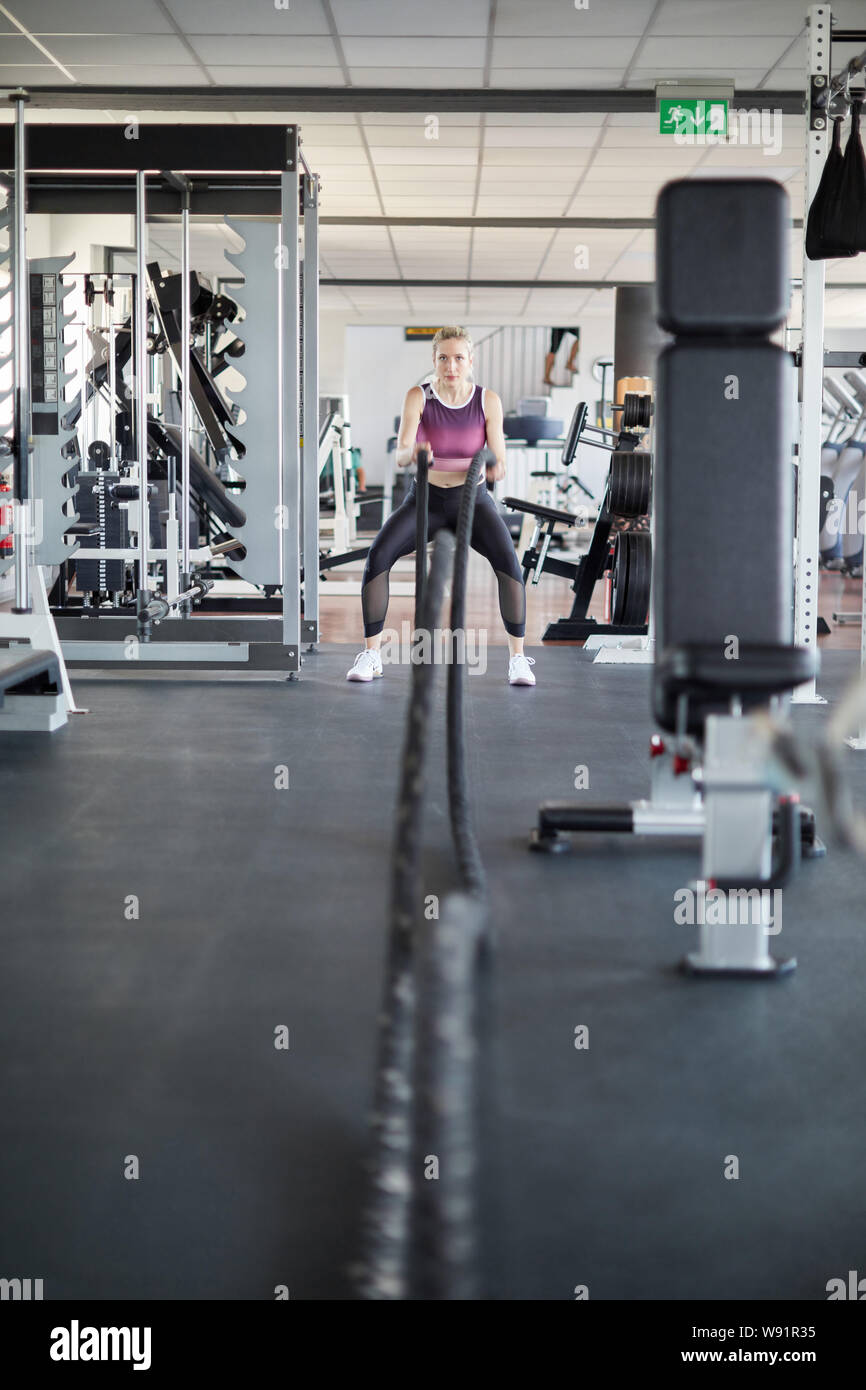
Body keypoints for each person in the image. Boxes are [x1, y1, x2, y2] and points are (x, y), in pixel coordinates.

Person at [346, 326, 535, 686]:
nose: (451, 365)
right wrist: (416, 452)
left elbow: (501, 464)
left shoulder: (487, 400)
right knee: (378, 556)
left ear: (470, 361)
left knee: (510, 565)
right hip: (426, 501)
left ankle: (519, 659)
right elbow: (402, 453)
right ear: (433, 360)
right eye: (444, 358)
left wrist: (489, 464)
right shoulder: (418, 397)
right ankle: (371, 654)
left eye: (459, 357)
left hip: (473, 501)